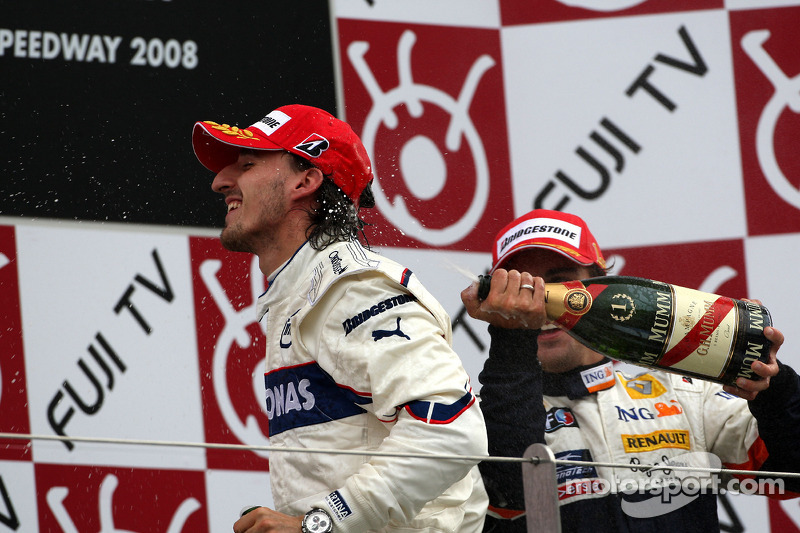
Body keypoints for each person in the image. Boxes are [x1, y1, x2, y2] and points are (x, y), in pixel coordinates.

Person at [191, 104, 488, 533]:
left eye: (248, 164)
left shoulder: (350, 288)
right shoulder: (302, 290)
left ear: (306, 180)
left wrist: (320, 524)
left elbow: (451, 430)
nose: (221, 182)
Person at [460, 209, 800, 532]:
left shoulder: (684, 393)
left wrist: (776, 390)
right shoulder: (477, 416)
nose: (540, 303)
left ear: (600, 286)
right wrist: (513, 338)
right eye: (522, 290)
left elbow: (790, 476)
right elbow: (509, 493)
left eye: (560, 283)